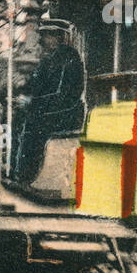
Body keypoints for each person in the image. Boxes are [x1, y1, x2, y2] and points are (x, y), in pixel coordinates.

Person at [11, 18, 85, 185]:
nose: (40, 40)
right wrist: (22, 83)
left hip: (62, 116)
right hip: (48, 113)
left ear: (56, 37)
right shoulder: (48, 59)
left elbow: (64, 96)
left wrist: (30, 103)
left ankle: (27, 177)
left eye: (44, 35)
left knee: (32, 129)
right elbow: (36, 86)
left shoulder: (69, 59)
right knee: (19, 122)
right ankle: (20, 175)